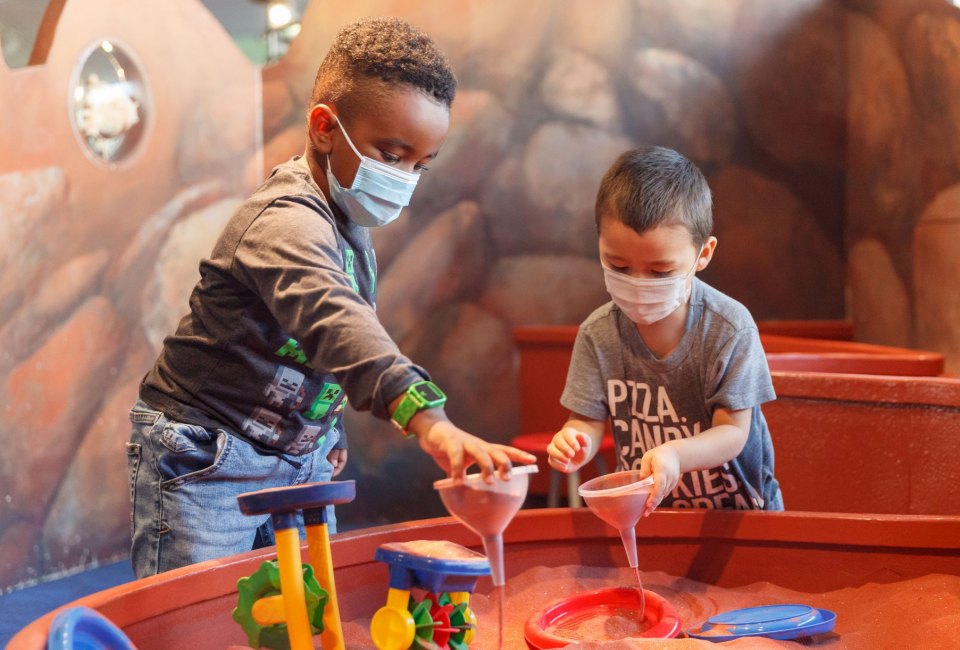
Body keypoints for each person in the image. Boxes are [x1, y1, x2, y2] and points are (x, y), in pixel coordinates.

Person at [126, 17, 535, 578]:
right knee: (196, 616)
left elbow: (318, 347)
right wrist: (431, 422)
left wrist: (326, 423)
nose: (405, 178)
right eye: (391, 156)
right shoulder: (285, 223)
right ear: (324, 127)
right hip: (209, 454)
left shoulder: (346, 220)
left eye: (420, 164)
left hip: (297, 455)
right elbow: (333, 320)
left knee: (308, 612)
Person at [546, 146, 782, 516]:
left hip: (740, 518)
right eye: (618, 265)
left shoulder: (729, 328)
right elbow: (586, 421)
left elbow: (733, 433)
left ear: (703, 253)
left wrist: (676, 454)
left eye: (660, 272)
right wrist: (576, 441)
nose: (638, 284)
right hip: (651, 515)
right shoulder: (598, 334)